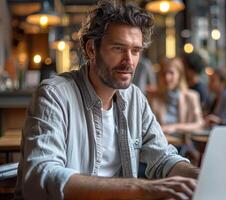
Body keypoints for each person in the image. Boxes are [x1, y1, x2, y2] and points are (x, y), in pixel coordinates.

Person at [15, 2, 199, 200]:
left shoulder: (135, 98)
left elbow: (163, 158)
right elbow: (42, 175)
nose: (129, 61)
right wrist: (139, 188)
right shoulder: (54, 95)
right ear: (92, 49)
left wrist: (201, 177)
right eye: (118, 48)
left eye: (135, 51)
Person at [149, 57, 204, 165]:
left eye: (171, 73)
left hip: (186, 148)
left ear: (179, 75)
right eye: (164, 73)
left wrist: (175, 127)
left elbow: (199, 123)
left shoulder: (191, 96)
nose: (167, 77)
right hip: (160, 149)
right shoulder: (153, 98)